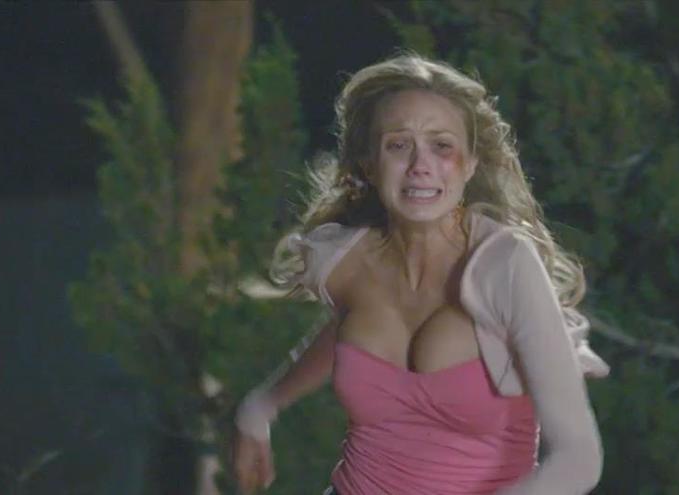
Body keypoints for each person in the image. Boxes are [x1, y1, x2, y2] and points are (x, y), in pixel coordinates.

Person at [232, 53, 610, 495]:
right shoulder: (345, 260)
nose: (420, 165)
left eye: (441, 146)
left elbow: (578, 459)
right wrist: (261, 406)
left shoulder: (505, 265)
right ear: (369, 165)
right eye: (398, 145)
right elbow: (346, 333)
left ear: (470, 163)